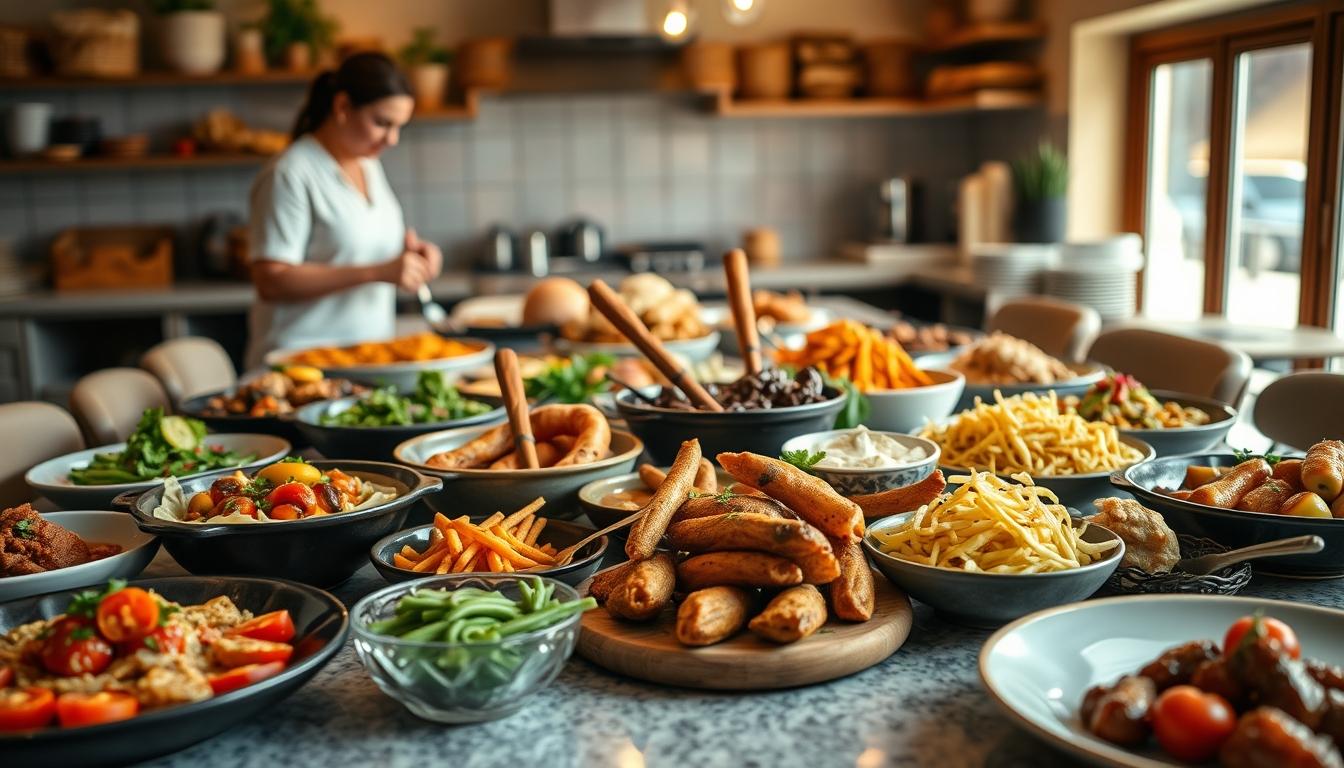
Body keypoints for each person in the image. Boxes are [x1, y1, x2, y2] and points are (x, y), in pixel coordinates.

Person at [245, 51, 442, 368]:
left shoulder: (369, 165)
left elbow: (359, 248)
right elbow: (271, 279)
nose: (392, 139)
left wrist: (413, 256)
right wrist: (380, 272)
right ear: (342, 107)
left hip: (365, 360)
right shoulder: (290, 173)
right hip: (302, 364)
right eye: (382, 123)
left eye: (399, 127)